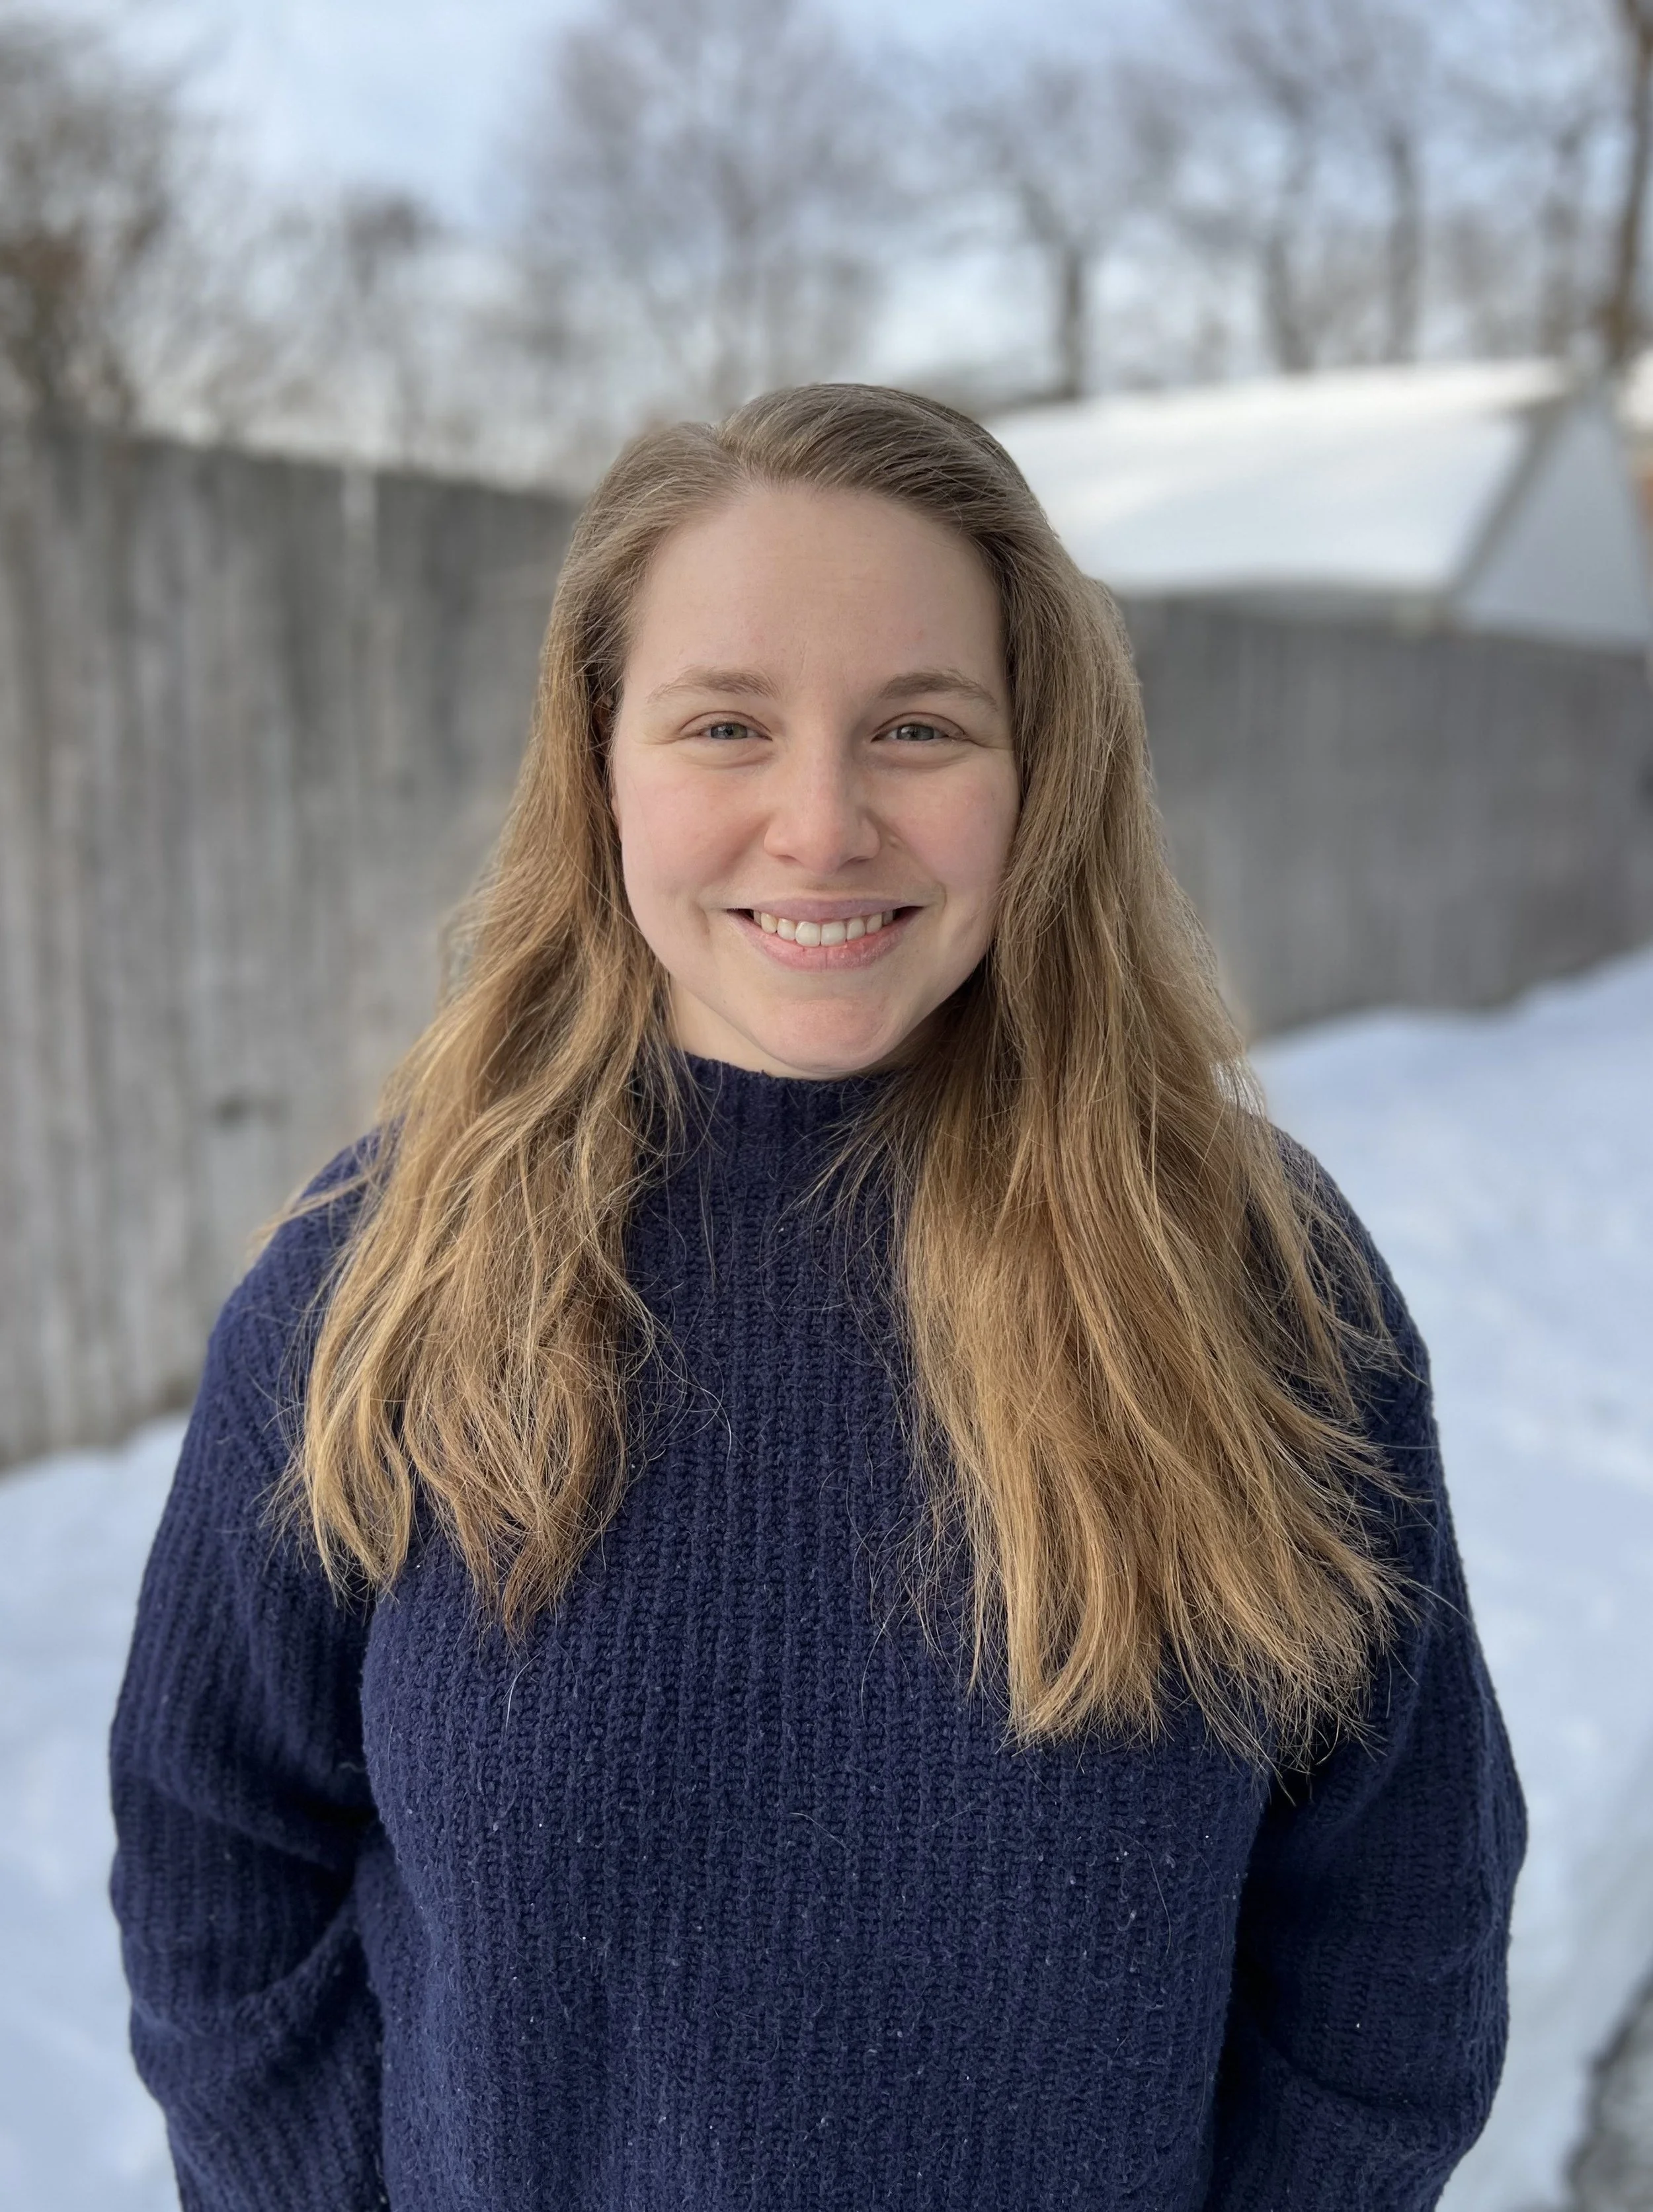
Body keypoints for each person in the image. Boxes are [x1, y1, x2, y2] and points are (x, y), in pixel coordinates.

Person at [109, 382, 1525, 2212]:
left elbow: (1398, 1928)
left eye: (918, 728)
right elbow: (219, 1859)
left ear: (1041, 772)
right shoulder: (381, 1278)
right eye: (725, 725)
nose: (819, 825)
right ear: (599, 764)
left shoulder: (1244, 1278)